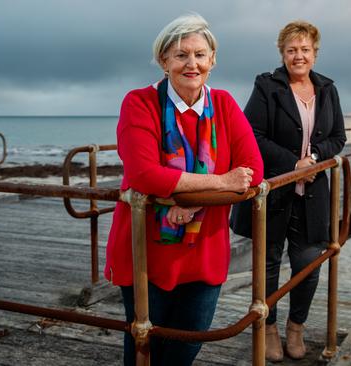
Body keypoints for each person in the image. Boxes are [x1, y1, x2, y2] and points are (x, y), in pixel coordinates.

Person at [104, 13, 263, 366]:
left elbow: (253, 170)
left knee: (187, 346)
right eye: (180, 55)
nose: (192, 64)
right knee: (144, 347)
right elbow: (145, 174)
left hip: (204, 250)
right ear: (164, 61)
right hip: (148, 251)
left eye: (200, 55)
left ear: (212, 60)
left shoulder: (223, 103)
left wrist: (188, 204)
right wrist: (221, 182)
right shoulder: (139, 103)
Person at [230, 20, 346, 361]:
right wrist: (291, 164)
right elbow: (252, 134)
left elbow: (338, 137)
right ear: (282, 53)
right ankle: (269, 329)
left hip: (313, 194)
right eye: (292, 50)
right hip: (274, 190)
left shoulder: (327, 89)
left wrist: (312, 158)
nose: (299, 56)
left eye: (305, 50)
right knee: (268, 263)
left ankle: (297, 327)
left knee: (308, 263)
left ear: (315, 53)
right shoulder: (267, 86)